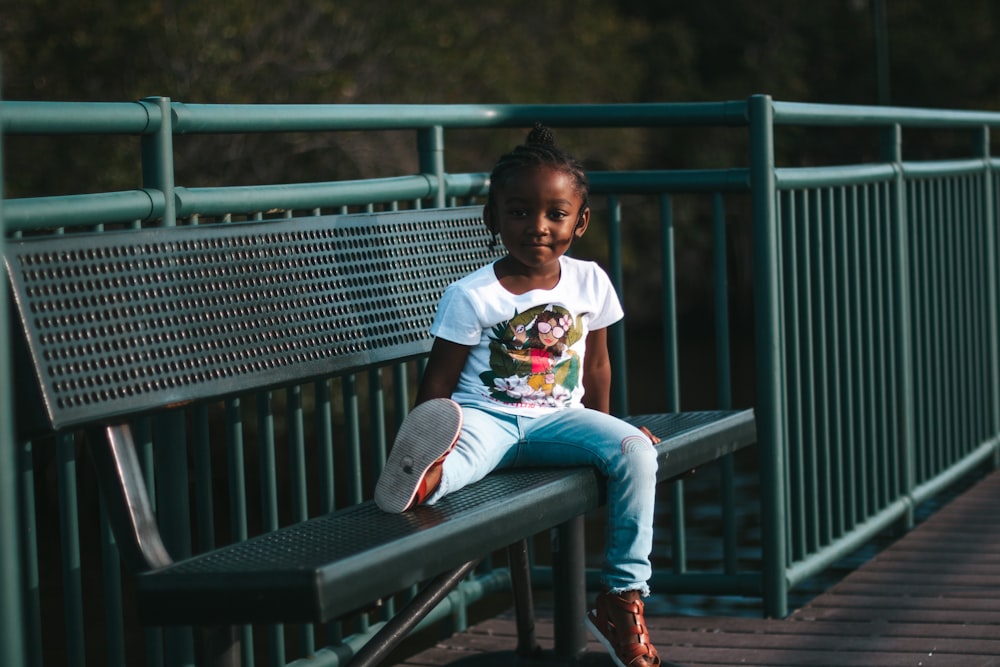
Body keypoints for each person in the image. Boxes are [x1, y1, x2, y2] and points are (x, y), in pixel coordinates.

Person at [374, 124, 662, 667]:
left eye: (555, 214)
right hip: (486, 418)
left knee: (636, 453)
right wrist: (426, 425)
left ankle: (623, 598)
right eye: (519, 212)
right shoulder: (471, 295)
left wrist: (611, 431)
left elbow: (596, 364)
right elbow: (439, 383)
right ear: (494, 217)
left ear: (580, 221)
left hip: (562, 421)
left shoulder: (590, 280)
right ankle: (424, 475)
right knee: (464, 460)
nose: (537, 227)